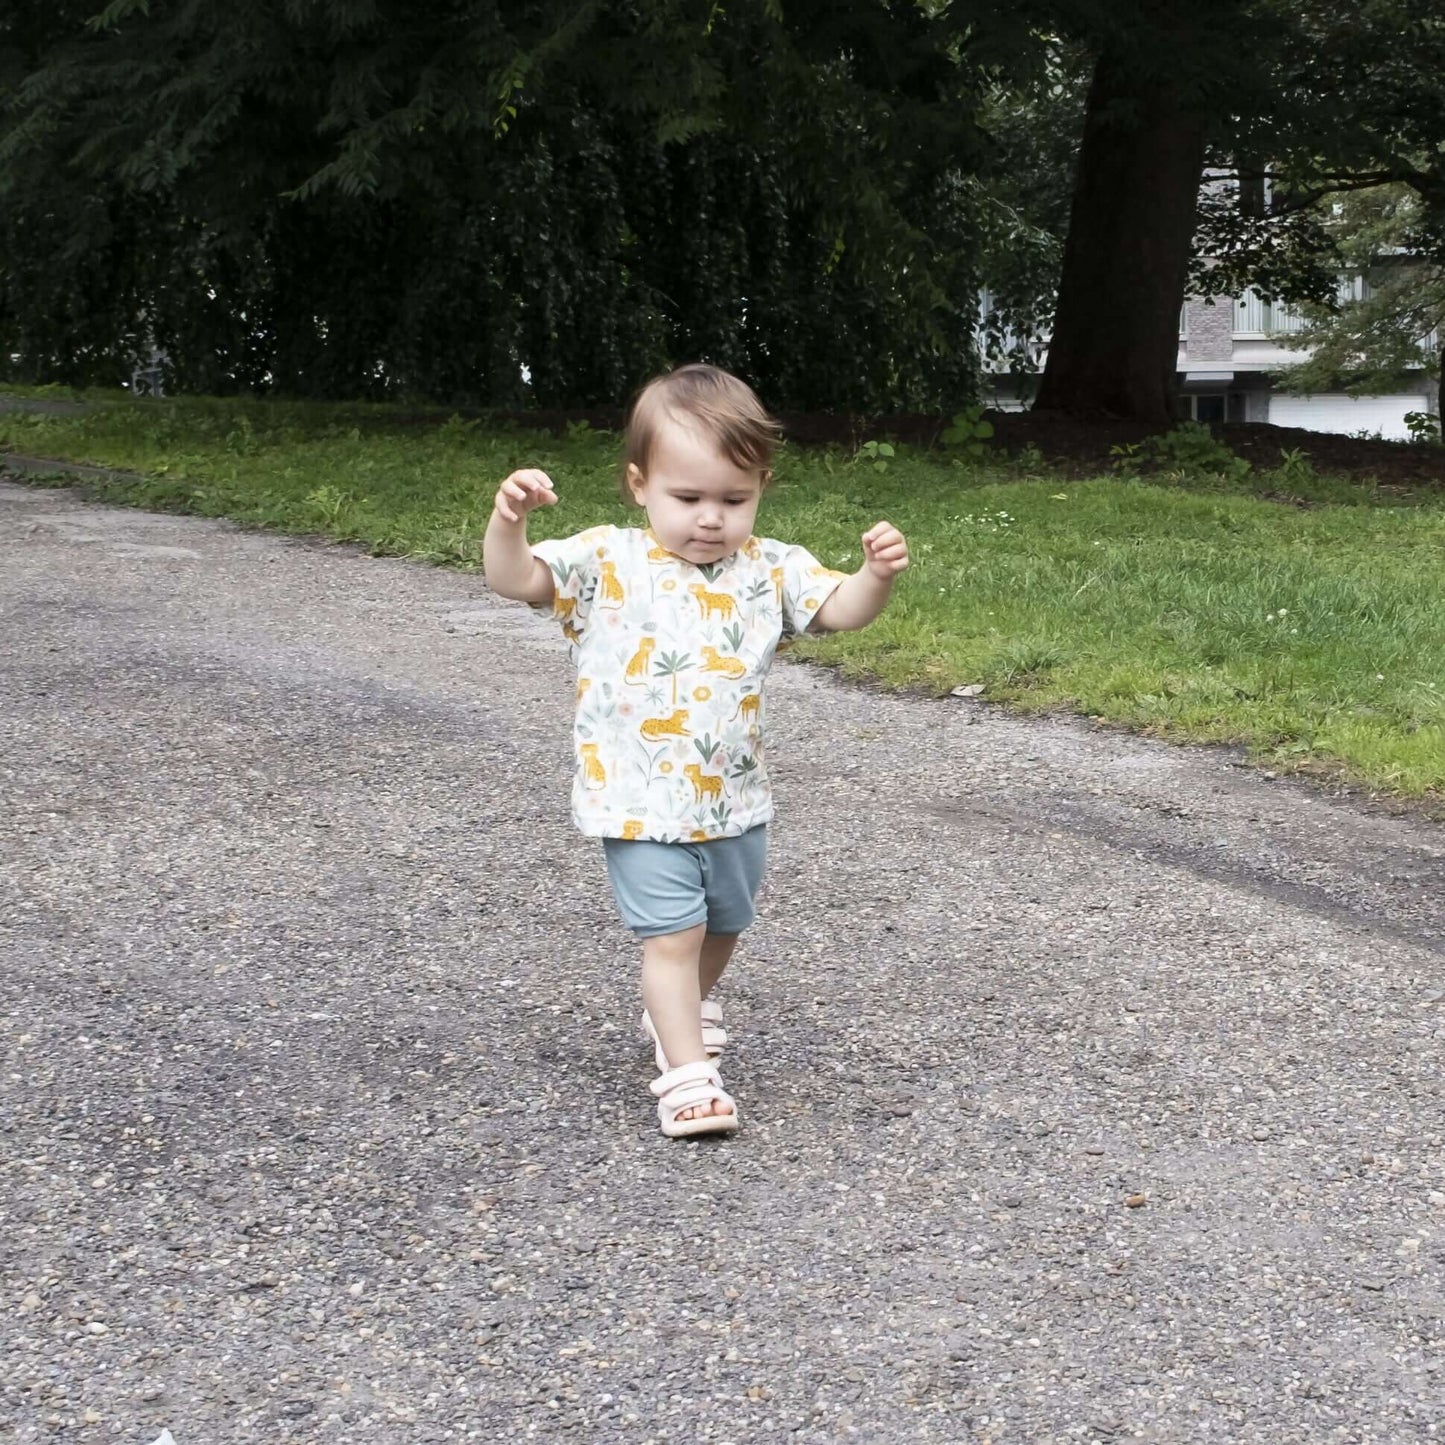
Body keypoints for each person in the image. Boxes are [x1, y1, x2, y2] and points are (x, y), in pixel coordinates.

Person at [482, 364, 908, 1138]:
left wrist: (874, 574)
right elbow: (516, 579)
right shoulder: (604, 559)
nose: (710, 519)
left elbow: (839, 610)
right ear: (639, 484)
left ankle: (677, 1008)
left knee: (726, 922)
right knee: (671, 936)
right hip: (638, 797)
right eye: (687, 498)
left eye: (732, 500)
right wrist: (508, 522)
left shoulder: (768, 567)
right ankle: (685, 1076)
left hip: (734, 795)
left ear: (760, 488)